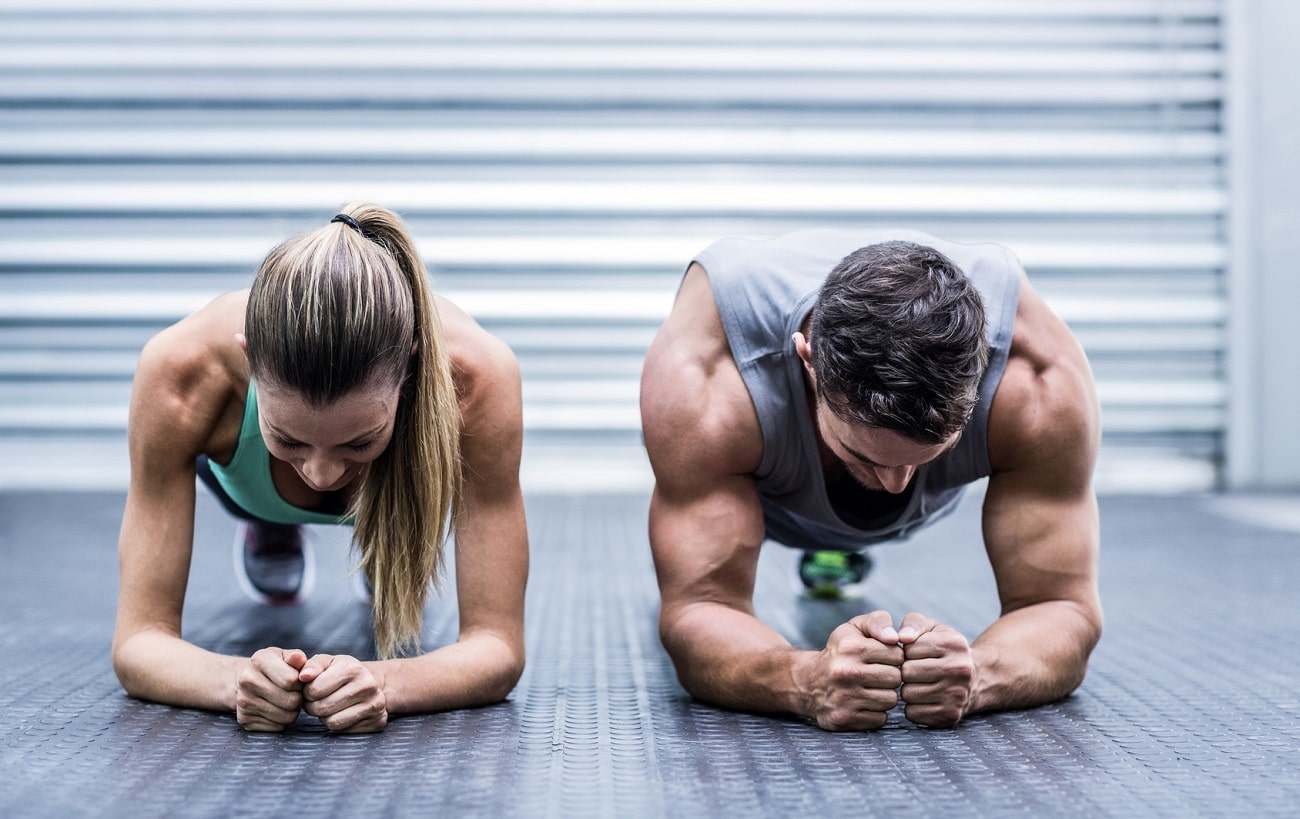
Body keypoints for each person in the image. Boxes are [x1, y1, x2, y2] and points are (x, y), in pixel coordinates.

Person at [640, 228, 1102, 731]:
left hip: (858, 459)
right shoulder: (709, 379)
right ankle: (827, 533)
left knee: (878, 481)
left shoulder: (1035, 381)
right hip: (774, 490)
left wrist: (981, 673)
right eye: (864, 455)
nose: (896, 486)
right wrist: (804, 679)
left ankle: (850, 498)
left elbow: (1062, 607)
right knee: (732, 494)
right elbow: (700, 608)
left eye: (925, 456)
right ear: (808, 359)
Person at [113, 204, 528, 734]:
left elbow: (497, 646)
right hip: (247, 486)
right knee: (280, 472)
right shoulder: (182, 371)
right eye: (288, 438)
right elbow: (137, 642)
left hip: (401, 484)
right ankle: (271, 517)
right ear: (250, 359)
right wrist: (235, 680)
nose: (323, 474)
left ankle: (381, 535)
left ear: (410, 368)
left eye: (358, 441)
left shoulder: (477, 377)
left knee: (385, 537)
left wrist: (385, 683)